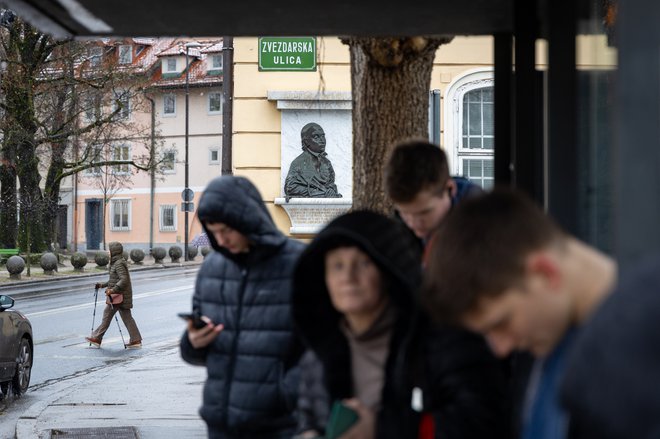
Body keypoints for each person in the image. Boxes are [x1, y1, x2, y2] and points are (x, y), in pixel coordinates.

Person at [292, 210, 509, 439]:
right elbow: (308, 417)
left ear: (388, 271)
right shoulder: (318, 353)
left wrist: (383, 430)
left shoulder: (442, 341)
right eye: (337, 266)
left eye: (364, 263)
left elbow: (480, 422)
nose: (348, 277)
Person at [421, 188, 618, 439]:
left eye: (502, 323)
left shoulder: (637, 353)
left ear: (545, 272)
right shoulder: (551, 340)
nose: (500, 348)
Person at [179, 175, 305, 439]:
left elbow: (322, 347)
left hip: (281, 426)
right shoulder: (211, 270)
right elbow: (196, 350)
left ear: (247, 220)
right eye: (213, 232)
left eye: (226, 230)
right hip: (220, 423)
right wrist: (193, 342)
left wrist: (286, 395)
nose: (221, 240)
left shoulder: (301, 265)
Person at [384, 139, 481, 254]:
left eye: (424, 212)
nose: (414, 223)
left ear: (450, 189)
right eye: (405, 213)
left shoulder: (486, 231)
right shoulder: (397, 234)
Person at [85, 241, 142, 349]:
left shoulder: (119, 263)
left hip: (119, 295)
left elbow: (123, 280)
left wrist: (112, 290)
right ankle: (136, 340)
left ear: (114, 251)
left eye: (109, 250)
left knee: (107, 315)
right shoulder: (116, 263)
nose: (108, 252)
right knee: (127, 318)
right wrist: (102, 285)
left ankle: (97, 338)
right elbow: (113, 280)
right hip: (120, 294)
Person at [284, 122, 342, 201]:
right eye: (316, 137)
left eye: (323, 136)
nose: (322, 140)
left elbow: (331, 184)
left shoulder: (327, 163)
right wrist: (319, 192)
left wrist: (331, 191)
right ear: (306, 141)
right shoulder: (298, 163)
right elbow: (290, 188)